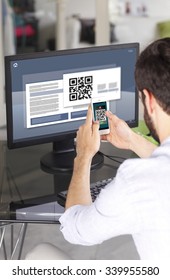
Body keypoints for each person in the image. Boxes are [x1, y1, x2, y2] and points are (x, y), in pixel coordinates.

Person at [25, 38, 170, 259]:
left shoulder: (139, 181)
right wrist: (131, 140)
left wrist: (83, 156)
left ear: (149, 100)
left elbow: (76, 229)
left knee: (39, 255)